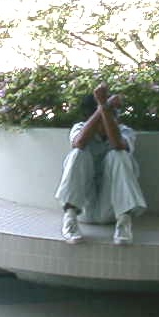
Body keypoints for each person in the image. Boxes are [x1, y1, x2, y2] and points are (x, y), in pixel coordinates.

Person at [55, 83, 147, 245]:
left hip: (112, 209)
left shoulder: (125, 131)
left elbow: (118, 144)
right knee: (77, 153)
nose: (109, 120)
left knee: (119, 154)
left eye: (111, 115)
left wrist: (103, 106)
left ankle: (124, 223)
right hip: (83, 209)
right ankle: (69, 220)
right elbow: (79, 143)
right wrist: (103, 106)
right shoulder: (80, 128)